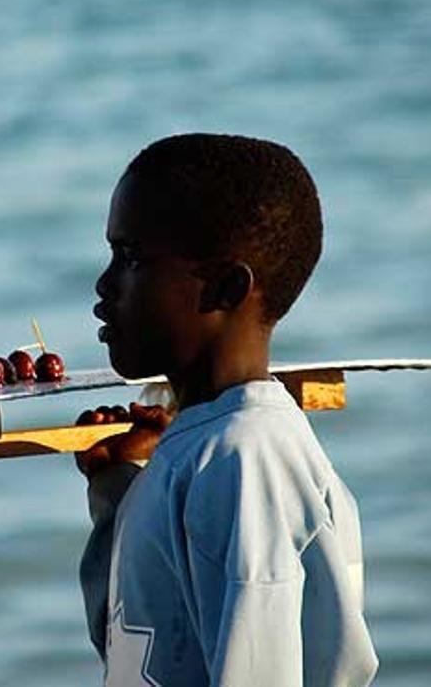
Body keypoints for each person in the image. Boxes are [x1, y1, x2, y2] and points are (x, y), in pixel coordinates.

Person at [76, 133, 378, 686]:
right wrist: (117, 486)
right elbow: (141, 650)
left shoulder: (246, 461)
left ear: (224, 288)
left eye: (131, 258)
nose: (103, 284)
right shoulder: (200, 452)